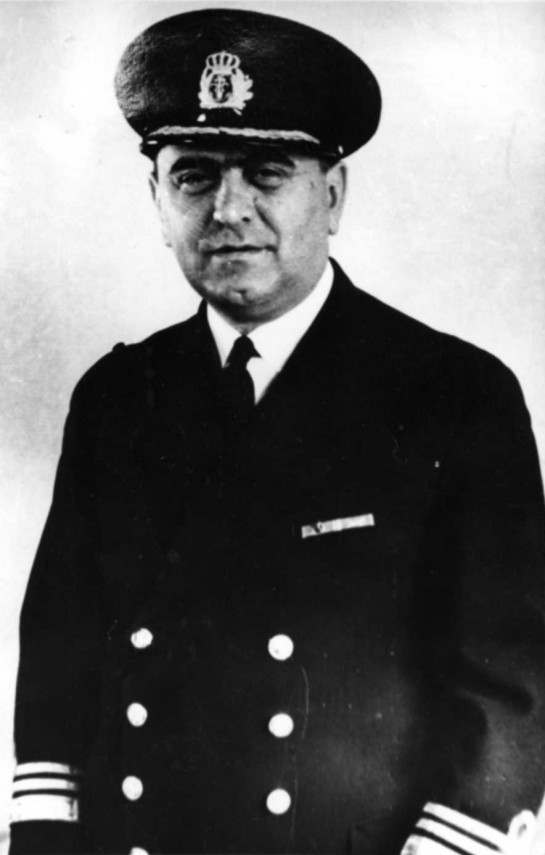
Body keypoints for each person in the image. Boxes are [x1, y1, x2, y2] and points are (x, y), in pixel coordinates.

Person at [9, 8, 545, 855]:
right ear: (156, 200)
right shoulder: (117, 397)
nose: (228, 210)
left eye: (265, 173)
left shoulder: (454, 396)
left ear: (330, 197)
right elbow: (58, 662)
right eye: (193, 176)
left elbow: (507, 691)